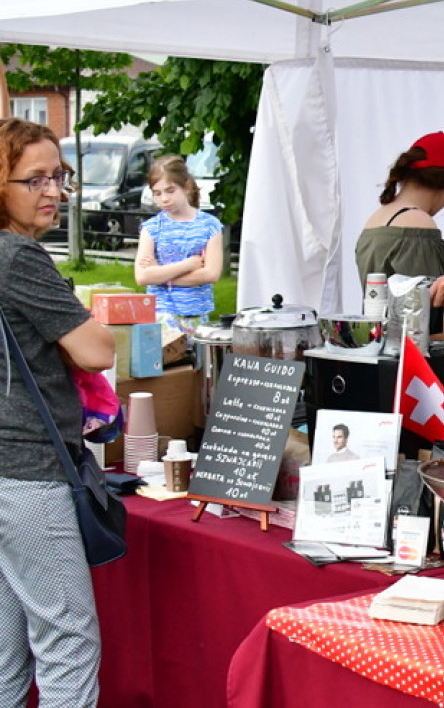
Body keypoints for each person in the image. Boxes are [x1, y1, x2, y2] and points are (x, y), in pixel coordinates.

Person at [0, 117, 116, 706]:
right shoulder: (17, 257)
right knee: (67, 644)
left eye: (59, 176)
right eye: (35, 179)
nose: (53, 191)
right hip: (27, 471)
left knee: (5, 652)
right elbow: (97, 349)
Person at [355, 132, 444, 340]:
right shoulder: (417, 224)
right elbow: (426, 317)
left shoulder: (376, 219)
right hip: (419, 362)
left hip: (382, 352)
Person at [134, 154, 224, 339]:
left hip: (197, 314)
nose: (164, 199)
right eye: (157, 193)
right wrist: (188, 266)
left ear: (187, 188)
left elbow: (211, 274)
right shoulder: (151, 229)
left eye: (170, 190)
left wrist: (160, 274)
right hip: (161, 314)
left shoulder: (210, 226)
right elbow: (143, 276)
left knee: (197, 365)